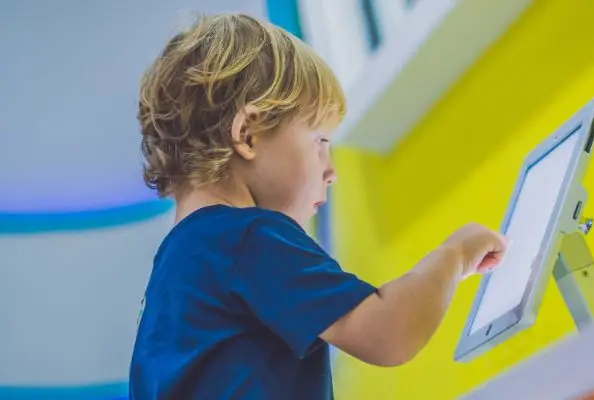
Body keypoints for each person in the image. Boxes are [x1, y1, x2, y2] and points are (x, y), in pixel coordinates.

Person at [129, 13, 507, 400]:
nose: (331, 172)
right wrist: (456, 254)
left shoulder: (173, 273)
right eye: (320, 141)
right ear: (248, 134)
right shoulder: (247, 238)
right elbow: (388, 331)